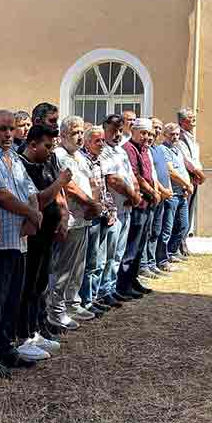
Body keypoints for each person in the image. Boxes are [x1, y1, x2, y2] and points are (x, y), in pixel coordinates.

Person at [0, 109, 47, 367]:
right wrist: (31, 214)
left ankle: (6, 348)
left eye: (11, 129)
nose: (8, 134)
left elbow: (30, 190)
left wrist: (33, 214)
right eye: (2, 129)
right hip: (0, 242)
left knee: (12, 299)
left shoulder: (13, 156)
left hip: (19, 240)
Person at [17, 125, 70, 349]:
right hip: (32, 236)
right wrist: (60, 182)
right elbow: (39, 200)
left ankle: (37, 327)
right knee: (29, 286)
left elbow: (56, 197)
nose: (50, 152)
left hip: (47, 233)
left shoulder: (44, 163)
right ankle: (25, 332)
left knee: (40, 285)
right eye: (47, 146)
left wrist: (62, 218)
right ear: (32, 144)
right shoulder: (22, 165)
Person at [50, 116, 102, 327]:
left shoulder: (80, 155)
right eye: (75, 133)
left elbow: (92, 181)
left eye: (81, 132)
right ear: (62, 135)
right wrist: (90, 203)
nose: (80, 137)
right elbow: (69, 186)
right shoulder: (59, 155)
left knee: (77, 266)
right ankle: (56, 310)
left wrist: (94, 205)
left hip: (84, 218)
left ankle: (72, 303)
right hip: (70, 219)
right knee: (63, 268)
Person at [97, 114, 140, 308]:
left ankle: (111, 288)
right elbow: (113, 179)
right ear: (104, 130)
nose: (117, 135)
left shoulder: (121, 151)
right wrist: (132, 195)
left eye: (120, 131)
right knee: (107, 254)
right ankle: (102, 292)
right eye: (113, 131)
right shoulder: (103, 151)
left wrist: (135, 193)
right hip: (112, 211)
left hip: (126, 208)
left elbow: (131, 175)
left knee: (118, 253)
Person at [80, 126, 117, 313]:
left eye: (103, 140)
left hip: (103, 216)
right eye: (97, 141)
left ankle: (92, 297)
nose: (102, 144)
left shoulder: (99, 161)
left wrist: (111, 210)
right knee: (89, 262)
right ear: (87, 142)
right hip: (91, 217)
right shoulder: (83, 160)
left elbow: (104, 191)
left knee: (98, 261)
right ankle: (85, 301)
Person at [118, 118, 156, 298]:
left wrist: (155, 191)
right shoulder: (129, 148)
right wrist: (152, 191)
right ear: (133, 131)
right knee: (131, 247)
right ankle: (123, 284)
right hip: (138, 203)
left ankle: (133, 279)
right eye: (143, 133)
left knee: (140, 246)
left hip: (148, 203)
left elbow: (150, 175)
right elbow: (136, 176)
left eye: (148, 133)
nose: (146, 137)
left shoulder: (144, 149)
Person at [142, 118, 173, 277]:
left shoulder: (158, 149)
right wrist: (160, 190)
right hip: (152, 196)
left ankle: (152, 262)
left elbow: (163, 171)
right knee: (147, 232)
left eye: (159, 128)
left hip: (162, 196)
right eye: (155, 127)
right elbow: (149, 176)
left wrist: (168, 190)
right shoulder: (145, 149)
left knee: (156, 230)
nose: (157, 131)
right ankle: (144, 265)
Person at [159, 123, 193, 268]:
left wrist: (186, 185)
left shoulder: (177, 150)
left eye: (177, 134)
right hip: (172, 194)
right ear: (165, 135)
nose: (175, 137)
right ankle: (163, 258)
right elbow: (171, 172)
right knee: (167, 228)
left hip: (182, 194)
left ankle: (172, 252)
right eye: (172, 134)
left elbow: (182, 169)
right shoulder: (163, 149)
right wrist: (186, 184)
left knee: (183, 226)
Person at [176, 107, 206, 255]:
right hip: (186, 178)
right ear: (182, 121)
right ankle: (179, 244)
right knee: (183, 213)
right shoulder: (180, 138)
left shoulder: (190, 137)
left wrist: (198, 175)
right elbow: (187, 160)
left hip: (194, 178)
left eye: (194, 117)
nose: (194, 120)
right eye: (190, 117)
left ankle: (183, 241)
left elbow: (195, 158)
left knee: (189, 211)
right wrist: (200, 174)